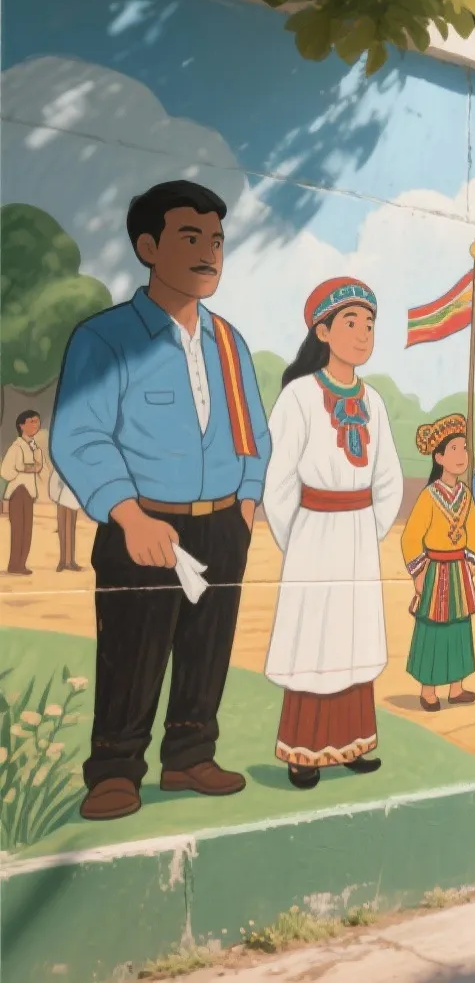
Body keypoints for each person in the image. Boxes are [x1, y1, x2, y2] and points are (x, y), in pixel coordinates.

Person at [53, 180, 271, 822]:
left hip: (222, 524)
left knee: (209, 645)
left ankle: (190, 756)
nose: (209, 253)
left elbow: (253, 432)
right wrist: (126, 514)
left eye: (217, 241)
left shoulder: (228, 344)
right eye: (190, 237)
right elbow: (80, 433)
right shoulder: (109, 338)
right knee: (133, 647)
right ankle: (116, 771)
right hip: (141, 526)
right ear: (148, 247)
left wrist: (248, 506)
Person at [260, 279, 404, 789]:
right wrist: (300, 538)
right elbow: (276, 481)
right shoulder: (299, 396)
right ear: (323, 330)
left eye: (369, 324)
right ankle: (304, 751)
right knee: (315, 639)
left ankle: (355, 743)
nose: (363, 334)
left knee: (354, 637)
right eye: (351, 323)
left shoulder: (375, 401)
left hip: (358, 534)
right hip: (314, 534)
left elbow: (388, 477)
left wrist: (367, 527)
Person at [401, 415, 475, 711]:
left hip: (459, 570)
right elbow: (411, 538)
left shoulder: (466, 496)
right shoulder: (429, 496)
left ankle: (457, 686)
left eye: (464, 448)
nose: (462, 456)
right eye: (455, 450)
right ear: (439, 457)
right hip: (435, 570)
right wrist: (419, 572)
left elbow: (474, 532)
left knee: (459, 627)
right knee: (433, 628)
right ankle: (428, 690)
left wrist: (470, 564)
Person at [3, 409, 45, 574]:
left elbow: (38, 466)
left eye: (37, 421)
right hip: (18, 491)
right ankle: (14, 564)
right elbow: (18, 467)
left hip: (29, 492)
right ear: (21, 425)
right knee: (18, 529)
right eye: (32, 421)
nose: (36, 424)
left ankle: (21, 564)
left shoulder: (35, 447)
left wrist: (33, 465)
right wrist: (32, 467)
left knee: (27, 529)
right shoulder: (17, 446)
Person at [47, 463, 83, 572]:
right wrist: (56, 497)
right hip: (61, 498)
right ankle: (63, 561)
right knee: (63, 529)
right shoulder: (60, 462)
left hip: (72, 498)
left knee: (70, 529)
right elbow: (54, 480)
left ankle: (70, 561)